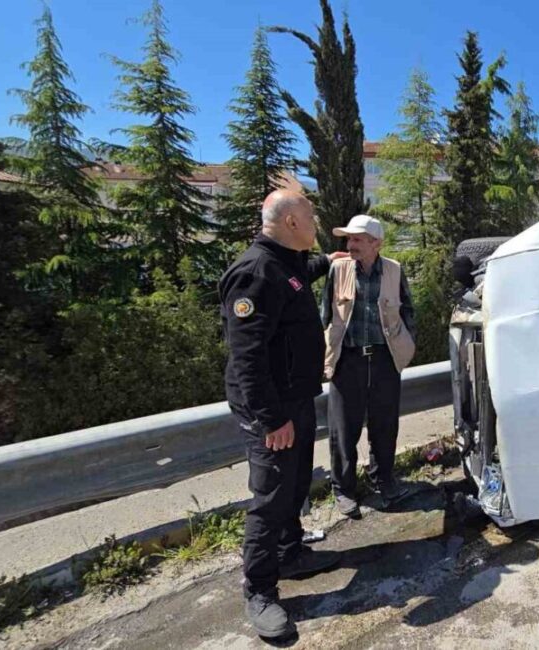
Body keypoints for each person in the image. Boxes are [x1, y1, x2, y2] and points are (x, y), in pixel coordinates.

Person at [218, 190, 347, 638]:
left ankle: (291, 553)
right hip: (272, 408)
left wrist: (327, 261)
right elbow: (247, 359)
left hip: (295, 398)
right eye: (310, 215)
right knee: (270, 497)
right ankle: (259, 589)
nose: (315, 220)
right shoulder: (255, 273)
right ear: (291, 221)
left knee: (294, 483)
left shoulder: (285, 265)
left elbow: (298, 280)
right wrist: (271, 420)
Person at [322, 215, 417, 518]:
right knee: (343, 429)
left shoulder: (394, 270)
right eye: (348, 240)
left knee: (385, 424)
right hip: (347, 359)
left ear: (376, 243)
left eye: (357, 240)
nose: (350, 245)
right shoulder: (338, 270)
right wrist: (326, 353)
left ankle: (384, 479)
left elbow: (408, 311)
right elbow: (325, 313)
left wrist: (407, 345)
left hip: (384, 358)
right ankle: (344, 489)